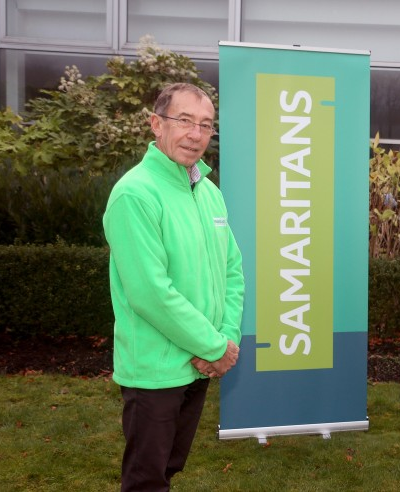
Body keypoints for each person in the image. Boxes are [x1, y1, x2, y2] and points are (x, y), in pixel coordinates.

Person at [103, 82, 245, 491]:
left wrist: (226, 339)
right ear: (156, 124)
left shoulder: (209, 193)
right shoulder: (135, 194)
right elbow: (151, 293)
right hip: (155, 371)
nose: (196, 134)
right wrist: (214, 348)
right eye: (184, 121)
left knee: (169, 469)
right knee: (147, 480)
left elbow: (232, 271)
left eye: (205, 125)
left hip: (199, 364)